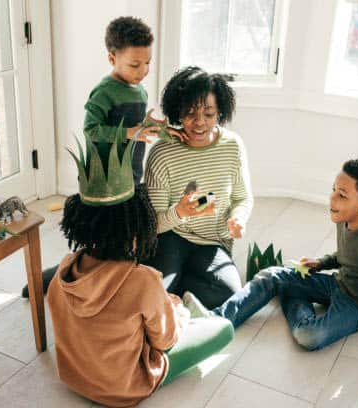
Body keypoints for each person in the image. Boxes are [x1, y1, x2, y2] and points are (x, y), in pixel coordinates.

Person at [47, 126, 233, 407]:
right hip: (125, 389)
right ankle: (186, 309)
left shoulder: (64, 269)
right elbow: (166, 341)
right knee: (223, 328)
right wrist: (178, 312)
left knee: (154, 310)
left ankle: (176, 307)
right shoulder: (142, 280)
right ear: (136, 232)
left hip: (74, 378)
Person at [184, 159, 358, 351]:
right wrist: (322, 263)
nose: (332, 199)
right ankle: (216, 321)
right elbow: (349, 253)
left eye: (342, 195)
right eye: (333, 190)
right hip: (340, 283)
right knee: (271, 275)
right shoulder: (344, 217)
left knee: (308, 336)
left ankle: (291, 295)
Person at [22, 16, 184, 298]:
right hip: (106, 181)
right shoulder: (105, 91)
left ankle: (116, 280)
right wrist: (129, 133)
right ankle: (64, 280)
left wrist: (164, 130)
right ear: (112, 58)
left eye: (147, 62)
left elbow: (140, 128)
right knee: (103, 241)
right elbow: (91, 130)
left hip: (130, 176)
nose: (143, 70)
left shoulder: (139, 89)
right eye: (135, 64)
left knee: (124, 237)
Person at [144, 66, 254, 309]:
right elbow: (155, 224)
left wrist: (238, 219)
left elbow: (242, 198)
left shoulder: (232, 146)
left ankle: (174, 284)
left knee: (228, 293)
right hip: (170, 237)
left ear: (220, 112)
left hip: (212, 242)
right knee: (155, 296)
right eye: (190, 113)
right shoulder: (162, 154)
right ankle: (167, 283)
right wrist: (181, 212)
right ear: (178, 112)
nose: (199, 123)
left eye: (209, 114)